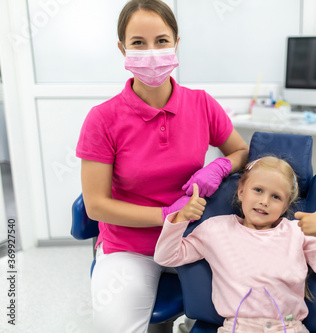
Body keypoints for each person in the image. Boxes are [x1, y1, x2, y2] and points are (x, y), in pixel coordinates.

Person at [75, 0, 249, 331]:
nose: (151, 52)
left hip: (194, 238)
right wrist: (166, 215)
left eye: (162, 40)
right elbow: (96, 206)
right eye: (138, 43)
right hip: (130, 247)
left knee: (250, 308)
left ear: (176, 43)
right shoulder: (103, 119)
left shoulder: (201, 105)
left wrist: (219, 167)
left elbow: (240, 150)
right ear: (122, 48)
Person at [154, 156, 316, 333]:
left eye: (276, 197)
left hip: (289, 327)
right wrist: (181, 218)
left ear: (285, 206)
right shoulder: (215, 230)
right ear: (241, 192)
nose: (264, 201)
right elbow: (166, 256)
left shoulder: (297, 232)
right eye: (258, 190)